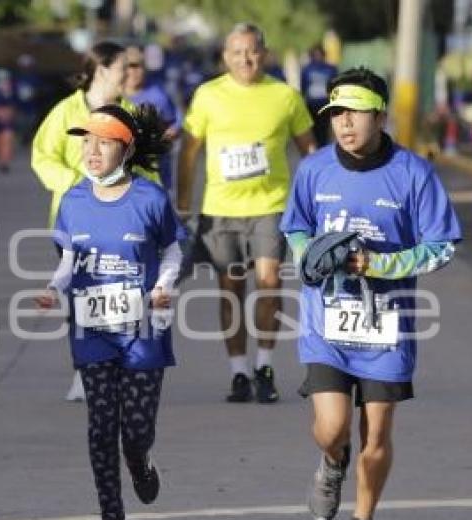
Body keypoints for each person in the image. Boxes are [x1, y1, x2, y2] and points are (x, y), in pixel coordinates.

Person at [279, 67, 461, 520]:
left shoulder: (413, 173)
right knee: (334, 428)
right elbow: (294, 227)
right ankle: (330, 460)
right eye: (336, 113)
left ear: (381, 115)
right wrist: (307, 253)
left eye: (354, 112)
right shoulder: (314, 170)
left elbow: (442, 246)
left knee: (376, 434)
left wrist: (381, 263)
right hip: (327, 321)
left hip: (386, 323)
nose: (344, 123)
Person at [35, 104, 184, 520]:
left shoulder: (150, 198)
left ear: (127, 147)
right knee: (101, 426)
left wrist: (162, 286)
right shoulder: (74, 200)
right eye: (86, 141)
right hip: (92, 328)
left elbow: (174, 252)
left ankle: (140, 462)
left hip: (143, 329)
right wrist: (53, 288)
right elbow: (68, 259)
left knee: (134, 432)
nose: (92, 150)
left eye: (103, 141)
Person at [176, 23, 315, 404]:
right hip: (221, 211)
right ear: (225, 57)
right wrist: (183, 201)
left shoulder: (285, 96)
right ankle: (239, 371)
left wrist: (319, 198)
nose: (245, 59)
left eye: (252, 51)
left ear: (264, 54)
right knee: (231, 290)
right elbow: (188, 152)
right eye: (237, 52)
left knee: (269, 283)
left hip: (270, 207)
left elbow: (311, 152)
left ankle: (265, 366)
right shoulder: (207, 96)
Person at [31, 41, 161, 402]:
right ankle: (85, 370)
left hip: (127, 223)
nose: (131, 74)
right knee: (82, 297)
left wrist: (157, 209)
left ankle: (124, 363)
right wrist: (78, 187)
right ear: (102, 70)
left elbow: (149, 166)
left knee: (126, 294)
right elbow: (42, 158)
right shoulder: (65, 112)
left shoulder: (131, 112)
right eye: (125, 67)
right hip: (75, 223)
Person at [124, 45, 181, 192]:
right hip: (122, 179)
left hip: (156, 178)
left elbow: (175, 123)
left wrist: (164, 138)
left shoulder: (158, 95)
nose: (134, 71)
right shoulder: (111, 96)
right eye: (129, 66)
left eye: (139, 66)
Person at [300, 45, 338, 147]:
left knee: (324, 128)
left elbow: (335, 85)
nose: (318, 56)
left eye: (319, 54)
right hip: (311, 103)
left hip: (325, 102)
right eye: (315, 54)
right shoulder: (306, 69)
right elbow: (303, 86)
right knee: (313, 128)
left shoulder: (331, 68)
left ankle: (323, 146)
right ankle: (316, 147)